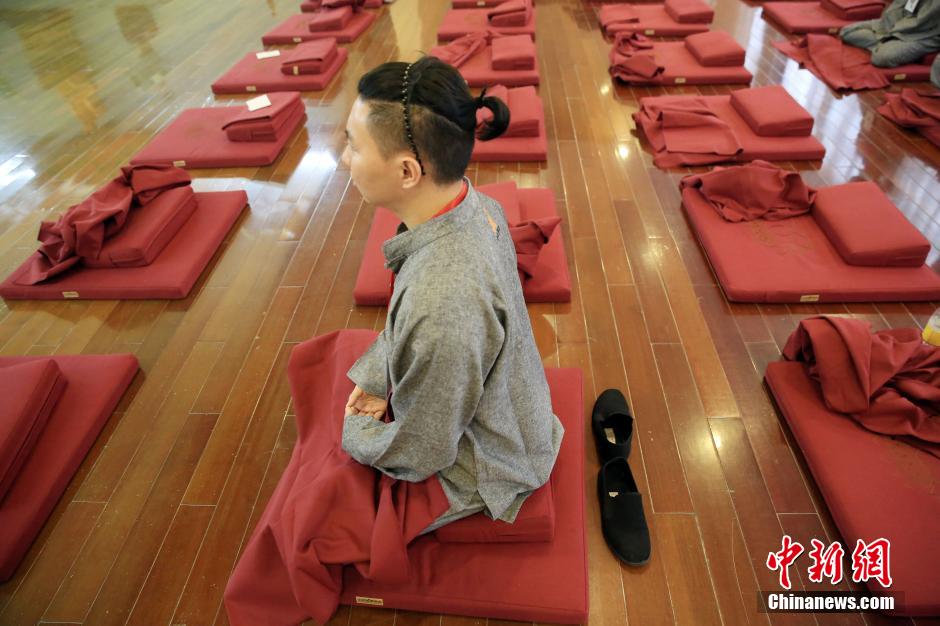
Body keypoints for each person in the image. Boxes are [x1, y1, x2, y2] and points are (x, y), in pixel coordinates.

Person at [340, 56, 564, 532]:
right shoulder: (474, 201)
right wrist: (379, 374)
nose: (344, 161)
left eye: (353, 146)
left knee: (319, 522)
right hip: (511, 402)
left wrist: (354, 435)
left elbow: (424, 452)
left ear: (406, 171)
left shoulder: (442, 307)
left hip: (492, 461)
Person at [840, 0, 940, 67]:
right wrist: (889, 24)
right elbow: (898, 6)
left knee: (880, 58)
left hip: (923, 35)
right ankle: (886, 42)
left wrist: (893, 30)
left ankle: (889, 44)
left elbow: (921, 22)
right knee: (847, 32)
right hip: (897, 24)